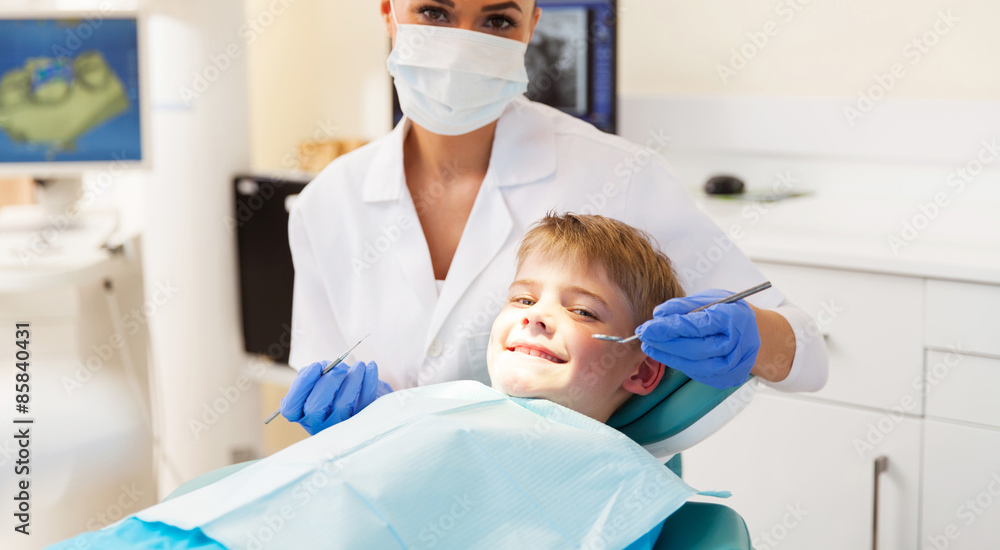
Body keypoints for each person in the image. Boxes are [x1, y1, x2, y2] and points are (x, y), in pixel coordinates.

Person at [284, 0, 827, 435]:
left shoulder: (618, 177)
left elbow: (807, 352)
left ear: (531, 28)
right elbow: (321, 381)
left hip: (566, 509)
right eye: (434, 12)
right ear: (387, 9)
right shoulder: (326, 205)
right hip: (393, 497)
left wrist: (754, 336)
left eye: (497, 21)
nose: (464, 45)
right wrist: (332, 416)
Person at [49, 214, 719, 550]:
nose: (539, 317)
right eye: (522, 299)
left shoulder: (611, 479)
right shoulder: (447, 406)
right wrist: (375, 429)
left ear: (643, 367)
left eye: (581, 310)